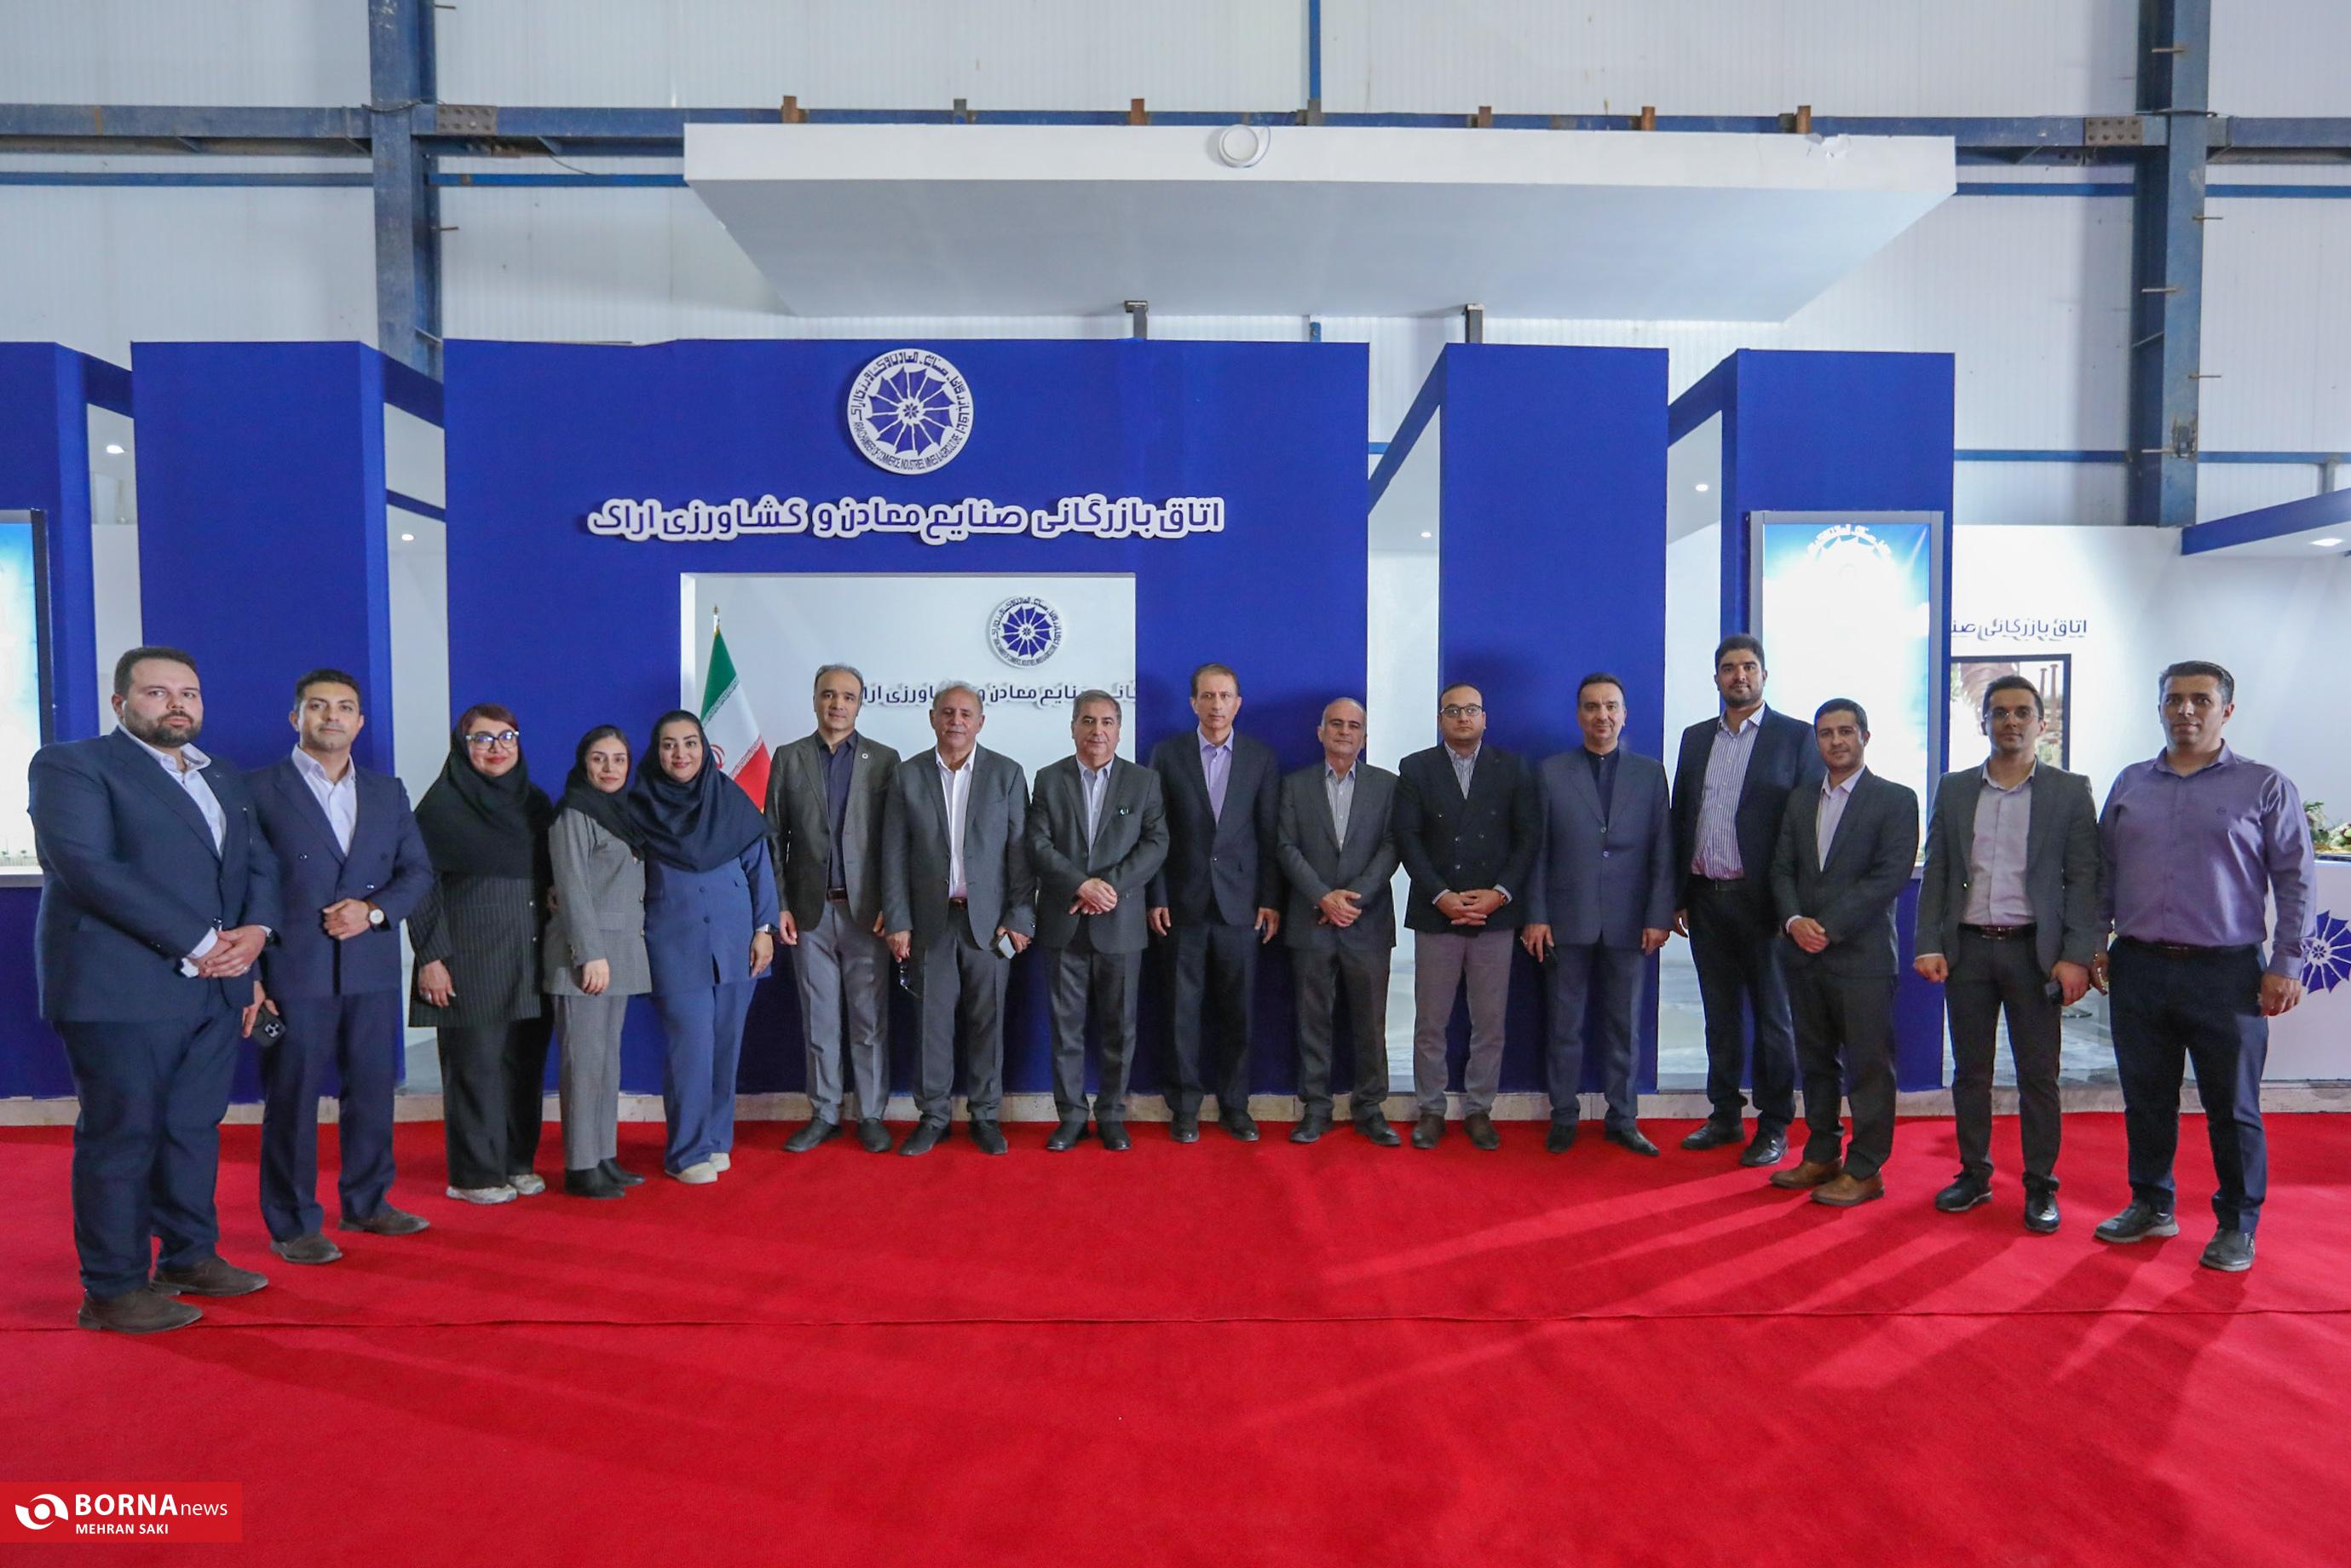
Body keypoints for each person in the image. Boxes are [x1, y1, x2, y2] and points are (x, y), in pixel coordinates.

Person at [31, 646, 279, 1334]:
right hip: (119, 989)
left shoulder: (220, 774)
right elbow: (89, 868)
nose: (176, 705)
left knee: (191, 1130)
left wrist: (256, 936)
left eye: (188, 693)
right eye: (157, 693)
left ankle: (189, 1257)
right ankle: (111, 1290)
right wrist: (202, 945)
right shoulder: (72, 765)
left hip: (216, 986)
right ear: (120, 704)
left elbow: (257, 863)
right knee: (123, 1136)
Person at [2089, 661, 2314, 1272]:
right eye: (2173, 699)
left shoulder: (2264, 786)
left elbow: (2295, 880)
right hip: (2138, 966)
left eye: (2200, 700)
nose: (2185, 710)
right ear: (2159, 707)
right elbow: (2103, 872)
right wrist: (2094, 942)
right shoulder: (2131, 783)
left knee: (2232, 1106)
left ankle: (2237, 1223)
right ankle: (2150, 1203)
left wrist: (2287, 962)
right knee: (2145, 1098)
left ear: (2226, 711)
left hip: (2227, 973)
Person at [249, 668, 435, 1262]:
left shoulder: (388, 792)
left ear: (359, 722)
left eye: (345, 707)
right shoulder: (256, 790)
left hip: (370, 968)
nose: (332, 716)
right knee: (292, 1101)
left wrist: (374, 912)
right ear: (295, 717)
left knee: (373, 1093)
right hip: (291, 971)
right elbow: (239, 885)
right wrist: (252, 978)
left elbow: (417, 873)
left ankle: (368, 1202)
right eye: (318, 705)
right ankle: (293, 1224)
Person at [1913, 674, 2100, 1234]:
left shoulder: (2068, 791)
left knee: (2038, 1076)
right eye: (1999, 712)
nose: (2010, 721)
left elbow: (2084, 880)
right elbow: (1938, 872)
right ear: (1984, 723)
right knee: (1970, 1073)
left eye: (2022, 712)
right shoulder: (1954, 789)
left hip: (2034, 955)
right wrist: (1928, 942)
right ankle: (1974, 1174)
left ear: (2041, 724)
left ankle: (2040, 1185)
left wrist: (2077, 955)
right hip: (1968, 951)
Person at [1670, 633, 1823, 1167]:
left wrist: (1792, 906)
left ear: (1763, 675)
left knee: (1773, 1019)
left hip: (1766, 907)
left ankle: (1774, 1122)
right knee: (1720, 1016)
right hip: (1706, 899)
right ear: (1716, 677)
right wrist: (1678, 895)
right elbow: (1681, 816)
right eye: (1730, 668)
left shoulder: (1796, 737)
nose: (1739, 676)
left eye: (1749, 667)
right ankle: (1724, 1114)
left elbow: (1806, 827)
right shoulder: (1695, 738)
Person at [1766, 699, 1920, 1208]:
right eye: (1826, 733)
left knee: (1869, 1068)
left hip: (1862, 958)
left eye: (1845, 731)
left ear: (1865, 737)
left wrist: (1828, 928)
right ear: (1816, 741)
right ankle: (1822, 1154)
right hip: (1803, 955)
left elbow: (1889, 877)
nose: (1835, 741)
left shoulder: (1895, 799)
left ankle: (1866, 1168)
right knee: (1815, 1062)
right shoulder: (1799, 800)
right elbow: (1781, 869)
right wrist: (1794, 921)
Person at [1521, 673, 1675, 1156]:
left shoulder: (1650, 774)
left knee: (1624, 1026)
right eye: (1591, 707)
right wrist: (1536, 915)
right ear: (1579, 716)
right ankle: (1564, 1115)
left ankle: (1622, 1118)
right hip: (1565, 921)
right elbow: (1537, 852)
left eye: (1610, 706)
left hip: (1631, 922)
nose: (1601, 716)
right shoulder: (1550, 772)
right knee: (1563, 1025)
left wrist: (1659, 915)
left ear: (1624, 715)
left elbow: (1663, 850)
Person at [410, 703, 556, 1206]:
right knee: (474, 1069)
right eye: (483, 738)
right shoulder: (440, 809)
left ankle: (517, 1162)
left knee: (524, 1065)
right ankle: (474, 1175)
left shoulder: (535, 804)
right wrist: (430, 958)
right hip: (467, 960)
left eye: (507, 737)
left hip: (530, 956)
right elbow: (419, 889)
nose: (497, 748)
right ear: (462, 746)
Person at [884, 681, 1035, 1156]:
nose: (956, 721)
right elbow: (893, 855)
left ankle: (985, 1116)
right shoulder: (907, 776)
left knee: (989, 1023)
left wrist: (1020, 917)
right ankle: (933, 1117)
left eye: (966, 713)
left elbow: (1021, 854)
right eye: (947, 712)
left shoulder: (1007, 774)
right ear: (932, 718)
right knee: (931, 1024)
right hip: (930, 922)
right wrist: (898, 920)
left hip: (990, 926)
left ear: (981, 722)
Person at [629, 711, 779, 1185]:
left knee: (725, 1048)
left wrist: (765, 930)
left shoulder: (730, 799)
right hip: (672, 945)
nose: (681, 753)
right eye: (669, 744)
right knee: (690, 1050)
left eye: (690, 743)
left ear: (705, 749)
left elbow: (760, 869)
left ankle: (715, 1141)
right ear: (656, 752)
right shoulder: (637, 807)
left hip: (737, 944)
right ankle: (686, 1152)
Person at [1393, 681, 1539, 1150]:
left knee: (1489, 1024)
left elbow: (1527, 839)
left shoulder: (1512, 768)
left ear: (1484, 718)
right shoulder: (1416, 768)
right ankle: (1431, 1109)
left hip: (1494, 914)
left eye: (1471, 710)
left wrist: (1499, 894)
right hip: (1437, 912)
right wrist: (1440, 895)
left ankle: (1479, 1109)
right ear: (1440, 719)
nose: (1462, 718)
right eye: (1453, 710)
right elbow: (1408, 839)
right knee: (1430, 1023)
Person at [1146, 662, 1282, 1142]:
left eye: (1225, 696)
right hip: (1181, 906)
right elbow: (1155, 833)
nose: (1216, 705)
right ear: (1193, 704)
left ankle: (1234, 1105)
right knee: (1180, 1012)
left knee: (1238, 1013)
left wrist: (1270, 899)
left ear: (1238, 703)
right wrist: (1157, 895)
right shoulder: (1166, 754)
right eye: (1207, 696)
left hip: (1241, 907)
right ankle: (1184, 1107)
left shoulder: (1261, 758)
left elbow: (1270, 834)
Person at [767, 665, 901, 1155]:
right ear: (815, 700)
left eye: (848, 696)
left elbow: (896, 843)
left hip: (868, 913)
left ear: (860, 704)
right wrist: (779, 905)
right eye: (829, 695)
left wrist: (893, 907)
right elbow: (772, 837)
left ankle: (871, 1115)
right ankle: (824, 1113)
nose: (837, 704)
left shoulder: (884, 760)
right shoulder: (789, 758)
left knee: (869, 1021)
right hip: (809, 914)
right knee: (819, 1020)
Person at [1026, 690, 1168, 1151]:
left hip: (1120, 923)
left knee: (1119, 1029)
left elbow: (1156, 844)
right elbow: (1038, 845)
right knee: (1065, 1028)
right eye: (1088, 721)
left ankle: (1110, 1115)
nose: (1097, 731)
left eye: (1107, 722)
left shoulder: (1143, 781)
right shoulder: (1048, 779)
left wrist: (1107, 887)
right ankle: (1070, 1117)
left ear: (1119, 731)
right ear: (1073, 727)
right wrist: (1080, 885)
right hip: (1064, 921)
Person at [1276, 698, 1402, 1146]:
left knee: (1370, 1022)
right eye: (1336, 724)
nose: (1344, 731)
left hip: (1367, 922)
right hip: (1311, 919)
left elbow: (1392, 846)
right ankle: (1316, 1108)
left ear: (1364, 736)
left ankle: (1370, 1108)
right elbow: (1286, 846)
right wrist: (1323, 897)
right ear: (1320, 732)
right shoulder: (1294, 786)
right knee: (1312, 1022)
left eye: (1353, 725)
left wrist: (1354, 898)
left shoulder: (1388, 786)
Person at [544, 725, 652, 1199]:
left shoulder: (621, 812)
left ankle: (604, 1155)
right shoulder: (574, 813)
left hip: (620, 954)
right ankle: (580, 1165)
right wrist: (589, 954)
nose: (610, 769)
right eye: (599, 759)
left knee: (607, 1063)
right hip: (586, 959)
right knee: (583, 1065)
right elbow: (572, 888)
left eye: (619, 759)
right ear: (583, 763)